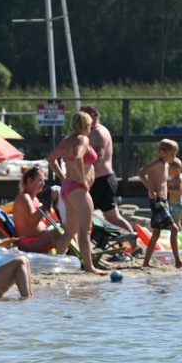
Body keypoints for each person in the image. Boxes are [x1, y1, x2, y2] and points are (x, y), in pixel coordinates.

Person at [46, 111, 108, 275]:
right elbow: (78, 156)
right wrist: (82, 180)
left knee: (70, 230)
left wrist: (64, 178)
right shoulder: (83, 139)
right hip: (78, 189)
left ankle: (56, 264)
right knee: (85, 231)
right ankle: (89, 267)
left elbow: (51, 158)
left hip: (67, 187)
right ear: (87, 126)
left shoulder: (67, 140)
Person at [82, 104, 135, 235]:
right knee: (84, 213)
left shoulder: (99, 132)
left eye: (83, 115)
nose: (80, 118)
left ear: (92, 116)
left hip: (102, 181)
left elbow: (98, 156)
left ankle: (134, 241)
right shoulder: (93, 132)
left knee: (113, 218)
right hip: (95, 180)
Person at [137, 138, 182, 268]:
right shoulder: (157, 164)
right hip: (157, 201)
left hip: (163, 201)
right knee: (174, 229)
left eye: (175, 154)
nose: (174, 157)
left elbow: (162, 181)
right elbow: (141, 173)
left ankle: (146, 262)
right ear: (162, 152)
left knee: (155, 234)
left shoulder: (167, 165)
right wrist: (150, 189)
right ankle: (178, 261)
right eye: (172, 154)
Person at [12, 165, 71, 253]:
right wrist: (47, 203)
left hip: (39, 237)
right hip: (30, 242)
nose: (43, 183)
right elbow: (33, 221)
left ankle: (80, 256)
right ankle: (73, 258)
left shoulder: (34, 199)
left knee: (71, 226)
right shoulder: (24, 198)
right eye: (40, 180)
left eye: (43, 180)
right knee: (69, 229)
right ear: (29, 181)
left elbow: (46, 220)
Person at [168, 156, 182, 228]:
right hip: (175, 203)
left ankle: (177, 236)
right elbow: (167, 185)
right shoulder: (174, 179)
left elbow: (178, 190)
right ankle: (177, 234)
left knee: (176, 222)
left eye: (170, 172)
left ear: (177, 171)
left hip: (178, 203)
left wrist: (168, 190)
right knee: (176, 221)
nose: (169, 174)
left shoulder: (179, 179)